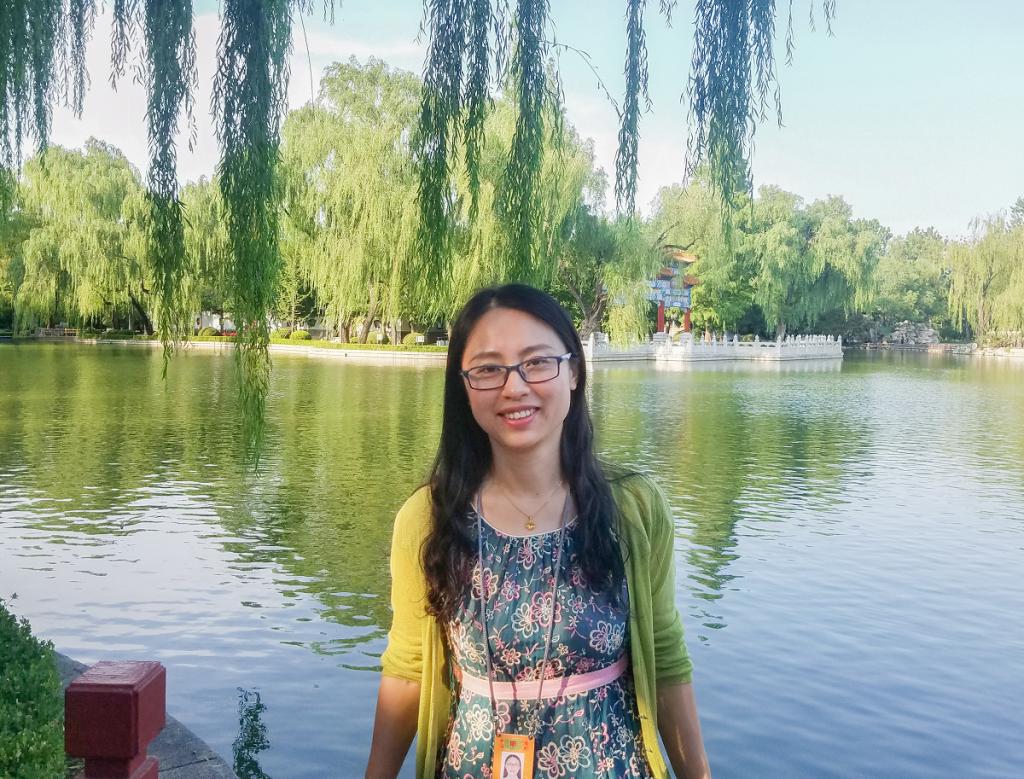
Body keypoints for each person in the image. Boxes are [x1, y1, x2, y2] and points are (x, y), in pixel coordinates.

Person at [365, 284, 710, 779]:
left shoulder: (634, 509)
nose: (515, 387)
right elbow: (407, 670)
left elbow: (667, 659)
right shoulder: (429, 517)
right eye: (488, 369)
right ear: (463, 386)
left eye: (537, 362)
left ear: (573, 372)